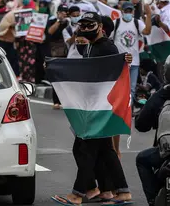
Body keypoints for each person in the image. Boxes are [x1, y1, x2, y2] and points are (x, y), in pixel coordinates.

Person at [53, 12, 133, 206]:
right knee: (105, 150)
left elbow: (115, 71)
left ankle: (77, 195)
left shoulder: (106, 47)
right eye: (82, 25)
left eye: (90, 26)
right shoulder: (90, 46)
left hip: (100, 109)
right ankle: (116, 192)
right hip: (92, 106)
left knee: (86, 150)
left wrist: (125, 60)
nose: (85, 29)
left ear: (100, 27)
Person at [135, 55, 170, 206]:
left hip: (167, 151)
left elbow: (141, 125)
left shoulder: (162, 95)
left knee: (142, 160)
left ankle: (153, 200)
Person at [111, 1, 152, 108]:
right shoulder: (116, 23)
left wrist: (149, 16)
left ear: (133, 11)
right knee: (119, 86)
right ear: (122, 11)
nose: (128, 13)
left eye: (130, 11)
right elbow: (107, 37)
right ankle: (119, 108)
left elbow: (147, 31)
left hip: (134, 62)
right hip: (119, 62)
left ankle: (129, 109)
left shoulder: (137, 23)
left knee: (132, 87)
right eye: (126, 11)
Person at [46, 4, 70, 109]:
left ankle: (68, 101)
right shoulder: (52, 21)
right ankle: (56, 101)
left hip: (69, 52)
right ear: (58, 13)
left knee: (68, 78)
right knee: (56, 78)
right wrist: (59, 21)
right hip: (56, 52)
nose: (64, 13)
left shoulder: (69, 23)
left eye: (66, 12)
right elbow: (50, 32)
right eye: (62, 11)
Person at [0, 0, 20, 77]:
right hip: (4, 41)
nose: (9, 2)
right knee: (3, 62)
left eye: (11, 0)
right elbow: (2, 27)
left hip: (13, 43)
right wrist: (9, 25)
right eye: (8, 1)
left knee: (13, 62)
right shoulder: (1, 13)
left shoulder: (18, 13)